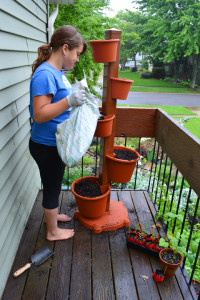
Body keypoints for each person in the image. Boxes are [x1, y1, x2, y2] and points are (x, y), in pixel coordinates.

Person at [29, 25, 87, 241]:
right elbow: (40, 114)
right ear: (65, 48)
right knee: (53, 185)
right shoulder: (45, 74)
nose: (77, 59)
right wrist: (69, 100)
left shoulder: (58, 72)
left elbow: (59, 102)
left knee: (52, 181)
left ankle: (50, 217)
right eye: (77, 54)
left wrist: (76, 97)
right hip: (46, 145)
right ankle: (52, 231)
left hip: (55, 142)